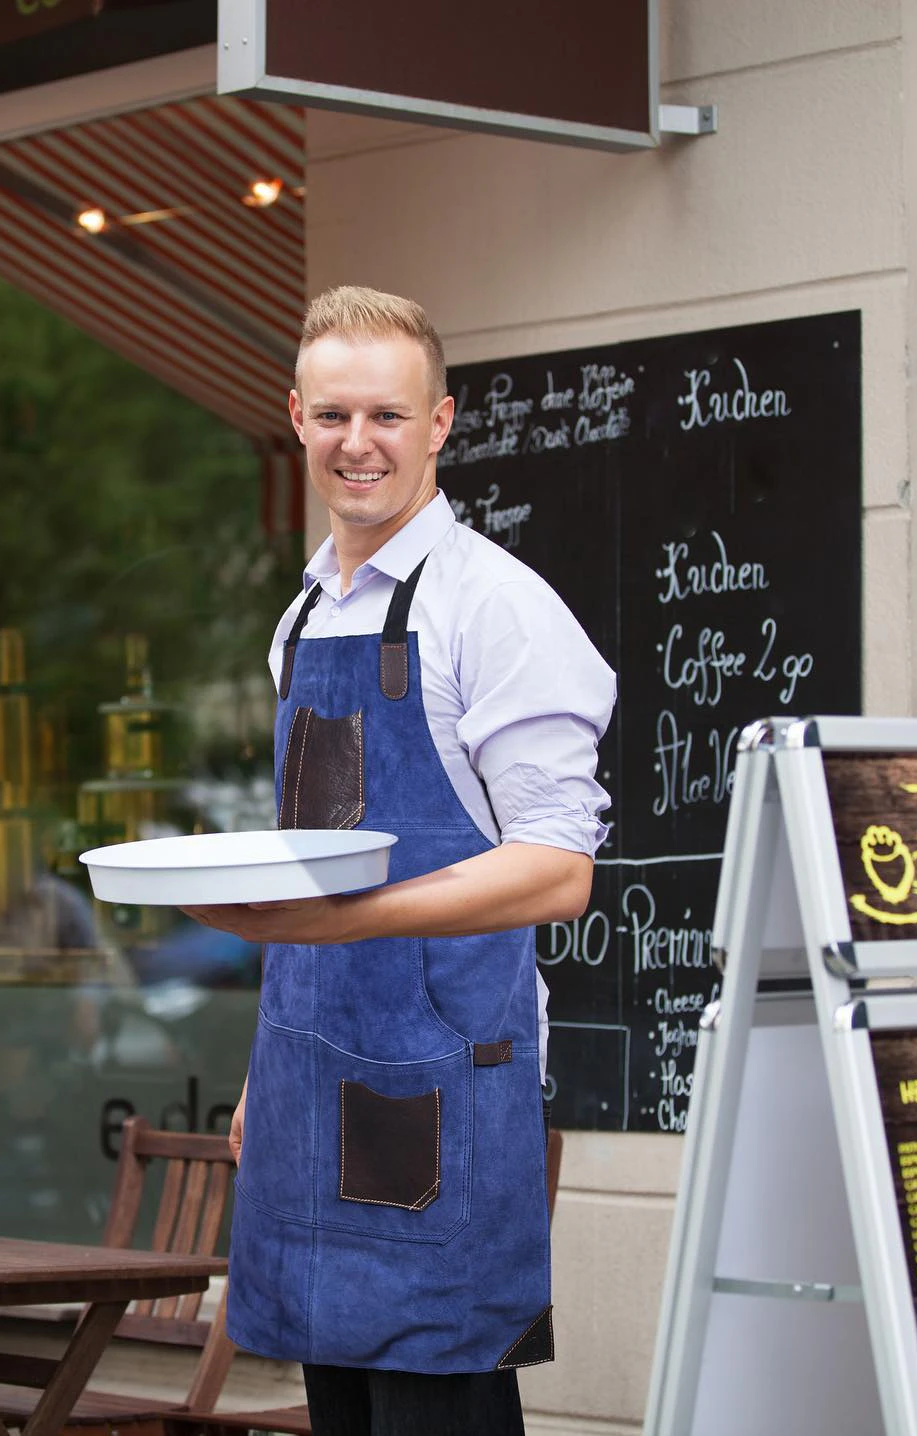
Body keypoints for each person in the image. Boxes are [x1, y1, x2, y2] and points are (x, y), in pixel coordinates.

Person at [182, 286, 615, 1436]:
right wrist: (258, 1063)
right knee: (342, 1410)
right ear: (296, 418)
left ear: (439, 424)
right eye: (332, 415)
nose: (356, 442)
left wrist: (334, 929)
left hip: (443, 1083)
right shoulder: (304, 616)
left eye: (385, 415)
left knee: (439, 1400)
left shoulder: (499, 610)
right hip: (308, 1078)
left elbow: (557, 868)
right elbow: (319, 861)